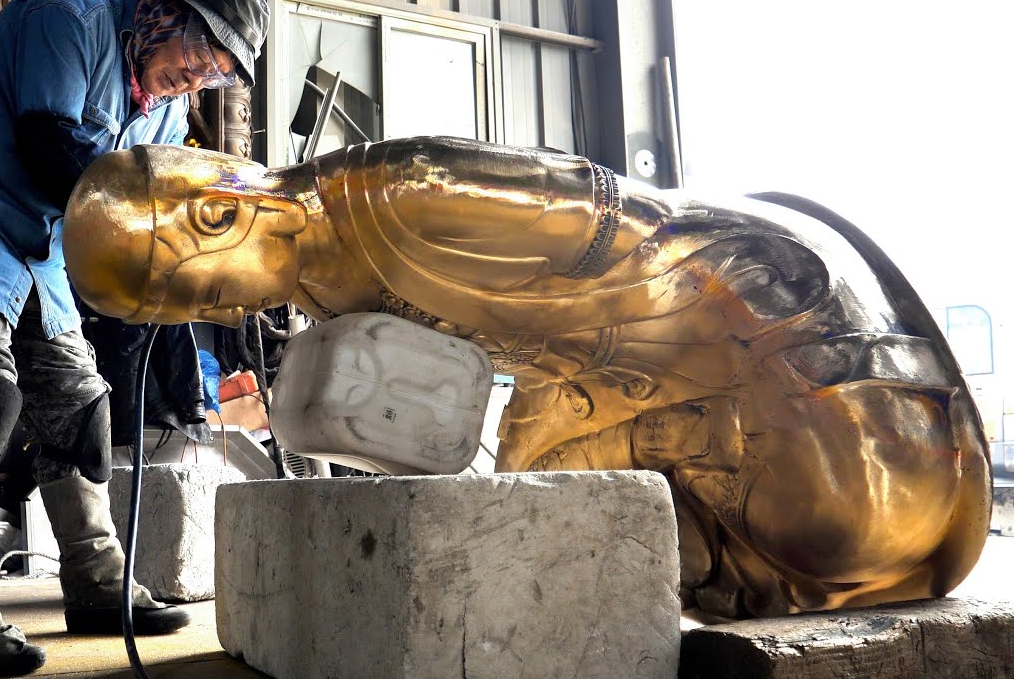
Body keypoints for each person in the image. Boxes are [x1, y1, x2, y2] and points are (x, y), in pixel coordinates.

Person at [62, 137, 991, 621]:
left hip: (804, 369)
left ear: (224, 209)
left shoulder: (398, 192)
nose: (216, 314)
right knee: (536, 519)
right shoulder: (318, 288)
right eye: (184, 313)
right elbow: (521, 362)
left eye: (197, 293)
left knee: (832, 517)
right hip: (659, 397)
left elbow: (643, 237)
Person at [0, 0, 269, 675]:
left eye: (212, 77)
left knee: (79, 406)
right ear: (165, 17)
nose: (194, 81)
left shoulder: (165, 112)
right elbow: (52, 149)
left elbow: (121, 205)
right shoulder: (73, 18)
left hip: (33, 251)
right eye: (196, 59)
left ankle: (99, 582)